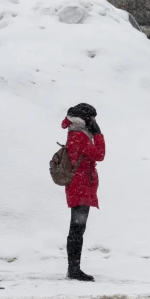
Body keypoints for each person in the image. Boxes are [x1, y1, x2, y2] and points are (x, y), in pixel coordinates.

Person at [61, 103, 105, 282]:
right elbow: (100, 154)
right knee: (77, 228)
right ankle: (74, 270)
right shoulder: (79, 136)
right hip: (81, 186)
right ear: (85, 118)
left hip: (79, 185)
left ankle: (74, 268)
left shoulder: (75, 133)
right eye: (92, 118)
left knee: (77, 228)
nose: (94, 121)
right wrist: (98, 134)